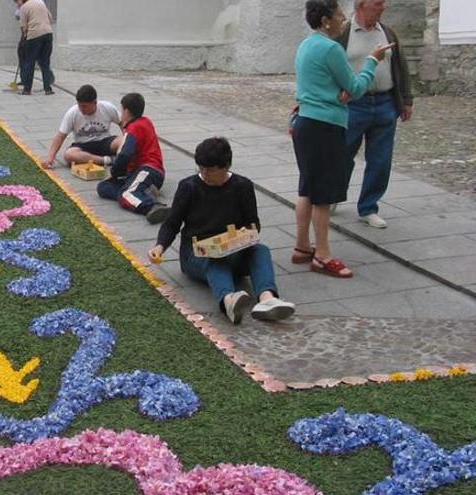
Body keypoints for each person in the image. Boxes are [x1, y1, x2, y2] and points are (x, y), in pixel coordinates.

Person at [291, 0, 393, 278]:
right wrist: (373, 60)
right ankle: (322, 256)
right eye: (338, 15)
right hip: (326, 126)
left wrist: (339, 89)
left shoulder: (306, 44)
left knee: (307, 189)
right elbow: (357, 87)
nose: (343, 20)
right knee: (323, 195)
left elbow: (317, 82)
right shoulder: (331, 48)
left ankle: (302, 247)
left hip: (305, 124)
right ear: (325, 20)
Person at [149, 137, 296, 324]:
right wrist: (160, 246)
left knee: (261, 251)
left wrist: (244, 237)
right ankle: (229, 301)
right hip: (197, 254)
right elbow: (172, 223)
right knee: (216, 261)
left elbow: (253, 224)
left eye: (210, 170)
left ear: (226, 166)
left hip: (234, 248)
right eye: (200, 169)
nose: (205, 174)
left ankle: (267, 299)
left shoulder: (242, 186)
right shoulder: (189, 187)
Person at [336, 0, 413, 229]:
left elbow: (401, 66)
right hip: (353, 105)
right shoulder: (343, 33)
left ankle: (369, 207)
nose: (383, 7)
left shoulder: (387, 32)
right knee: (341, 156)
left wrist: (406, 100)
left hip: (384, 102)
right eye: (377, 3)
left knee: (380, 159)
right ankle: (333, 195)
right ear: (361, 6)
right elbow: (330, 66)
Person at [96, 93, 171, 224]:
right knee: (103, 187)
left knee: (126, 195)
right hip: (141, 172)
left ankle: (152, 206)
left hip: (148, 169)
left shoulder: (133, 128)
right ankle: (140, 192)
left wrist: (115, 171)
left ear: (126, 111)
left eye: (122, 110)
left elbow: (125, 154)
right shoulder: (146, 121)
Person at [41, 84, 122, 169]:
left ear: (95, 102)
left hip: (105, 141)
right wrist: (50, 157)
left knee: (123, 140)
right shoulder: (73, 113)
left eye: (85, 106)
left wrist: (127, 142)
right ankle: (107, 160)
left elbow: (123, 124)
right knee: (69, 155)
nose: (81, 109)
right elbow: (60, 137)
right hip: (83, 145)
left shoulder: (107, 108)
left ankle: (121, 159)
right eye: (79, 105)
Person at [17, 0, 54, 95]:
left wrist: (25, 37)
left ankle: (27, 89)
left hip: (34, 35)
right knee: (45, 63)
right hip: (48, 34)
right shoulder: (41, 3)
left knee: (30, 62)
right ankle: (48, 89)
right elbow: (50, 17)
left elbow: (23, 25)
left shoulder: (23, 8)